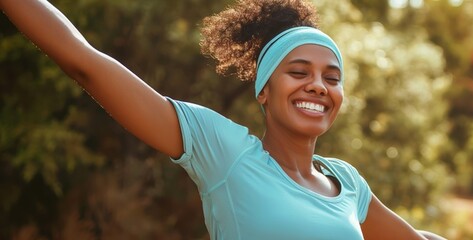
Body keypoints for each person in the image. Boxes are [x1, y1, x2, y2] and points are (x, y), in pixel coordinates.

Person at [1, 0, 446, 239]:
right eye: (298, 72)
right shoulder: (225, 153)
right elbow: (87, 64)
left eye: (332, 78)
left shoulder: (347, 184)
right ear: (263, 91)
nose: (318, 86)